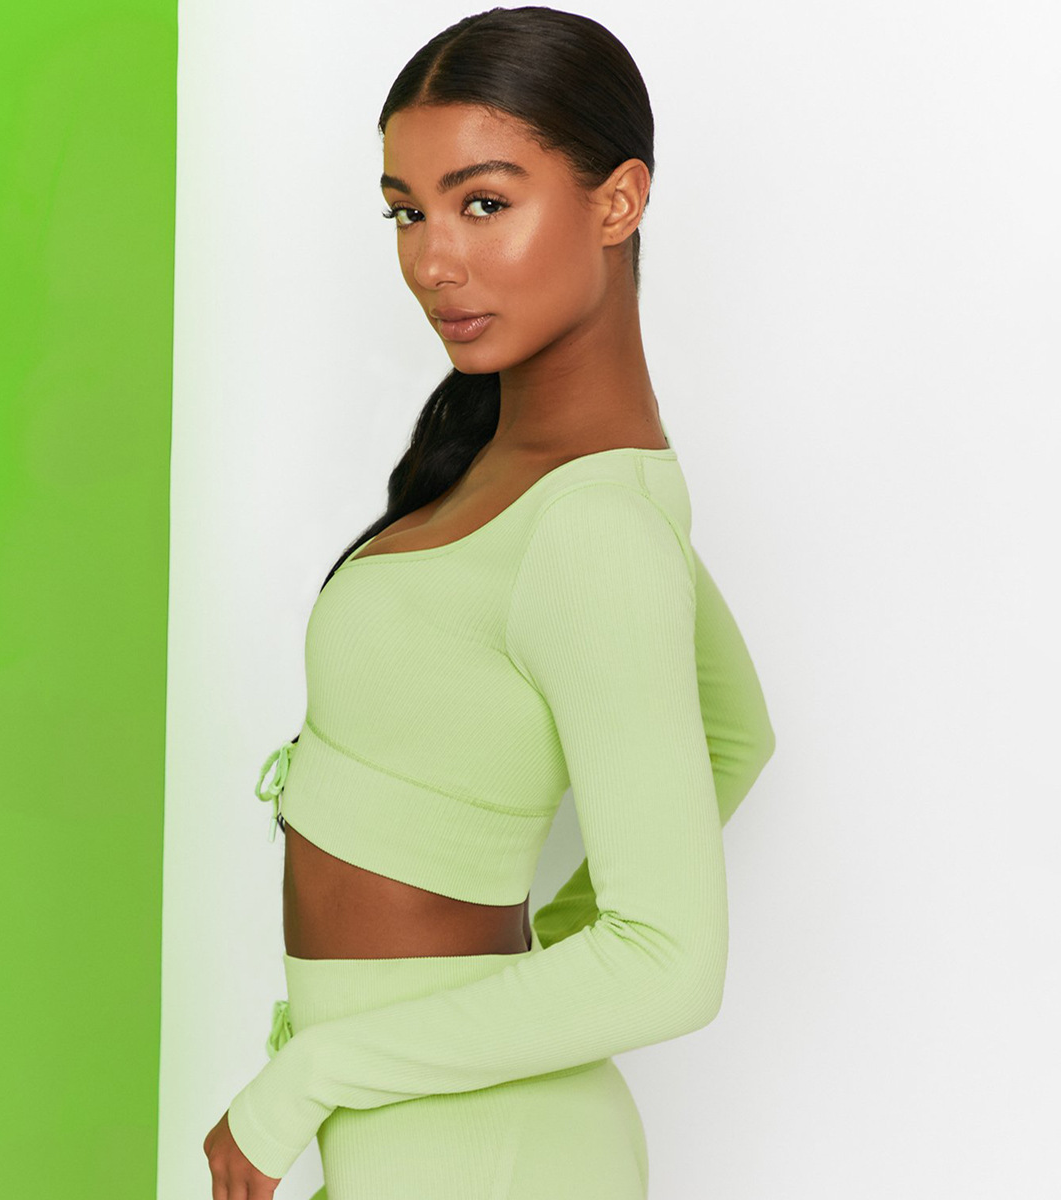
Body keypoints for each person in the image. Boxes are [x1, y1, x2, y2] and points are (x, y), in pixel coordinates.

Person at [204, 6, 776, 1197]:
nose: (432, 262)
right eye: (406, 212)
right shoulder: (546, 479)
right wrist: (517, 986)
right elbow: (736, 736)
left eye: (482, 203)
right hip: (431, 1122)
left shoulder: (594, 525)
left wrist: (309, 1077)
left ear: (617, 203)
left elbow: (671, 961)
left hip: (475, 1149)